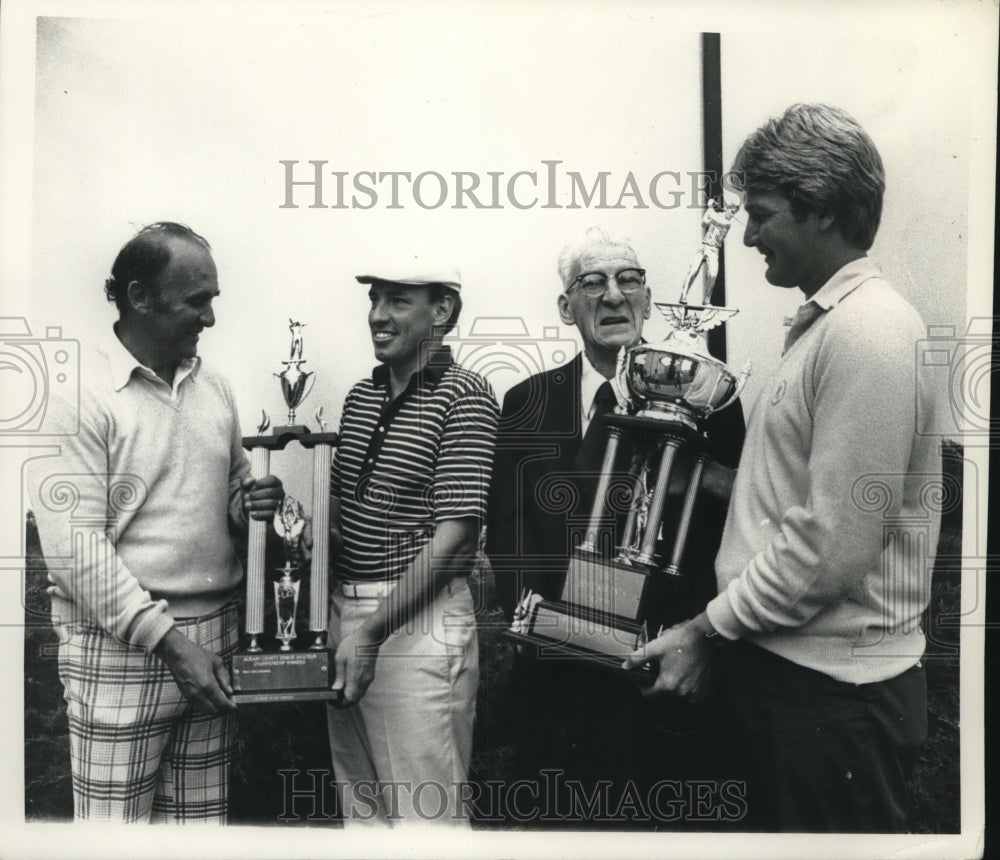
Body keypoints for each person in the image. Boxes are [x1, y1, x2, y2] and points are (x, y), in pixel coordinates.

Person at [626, 104, 942, 833]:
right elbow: (809, 504)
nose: (748, 234)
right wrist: (706, 486)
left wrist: (709, 630)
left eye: (762, 213)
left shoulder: (869, 332)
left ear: (822, 210)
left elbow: (832, 546)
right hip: (798, 687)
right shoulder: (830, 326)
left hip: (833, 701)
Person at [486, 227, 745, 827]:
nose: (612, 296)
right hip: (555, 678)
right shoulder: (526, 401)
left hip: (661, 677)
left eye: (629, 280)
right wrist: (537, 617)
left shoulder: (710, 397)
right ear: (565, 306)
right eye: (592, 283)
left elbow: (736, 520)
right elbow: (508, 524)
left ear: (650, 300)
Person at [27, 221, 284, 823]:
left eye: (212, 300)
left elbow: (231, 490)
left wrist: (248, 508)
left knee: (198, 834)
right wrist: (170, 645)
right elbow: (77, 552)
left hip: (216, 640)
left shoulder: (214, 385)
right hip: (121, 653)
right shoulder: (76, 396)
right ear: (139, 296)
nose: (211, 319)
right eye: (198, 301)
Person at [325, 264, 499, 826]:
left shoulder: (466, 393)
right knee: (365, 819)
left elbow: (456, 539)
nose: (377, 315)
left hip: (415, 628)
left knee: (428, 824)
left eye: (397, 301)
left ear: (442, 311)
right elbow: (340, 523)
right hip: (346, 622)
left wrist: (372, 632)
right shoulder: (359, 396)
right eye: (375, 300)